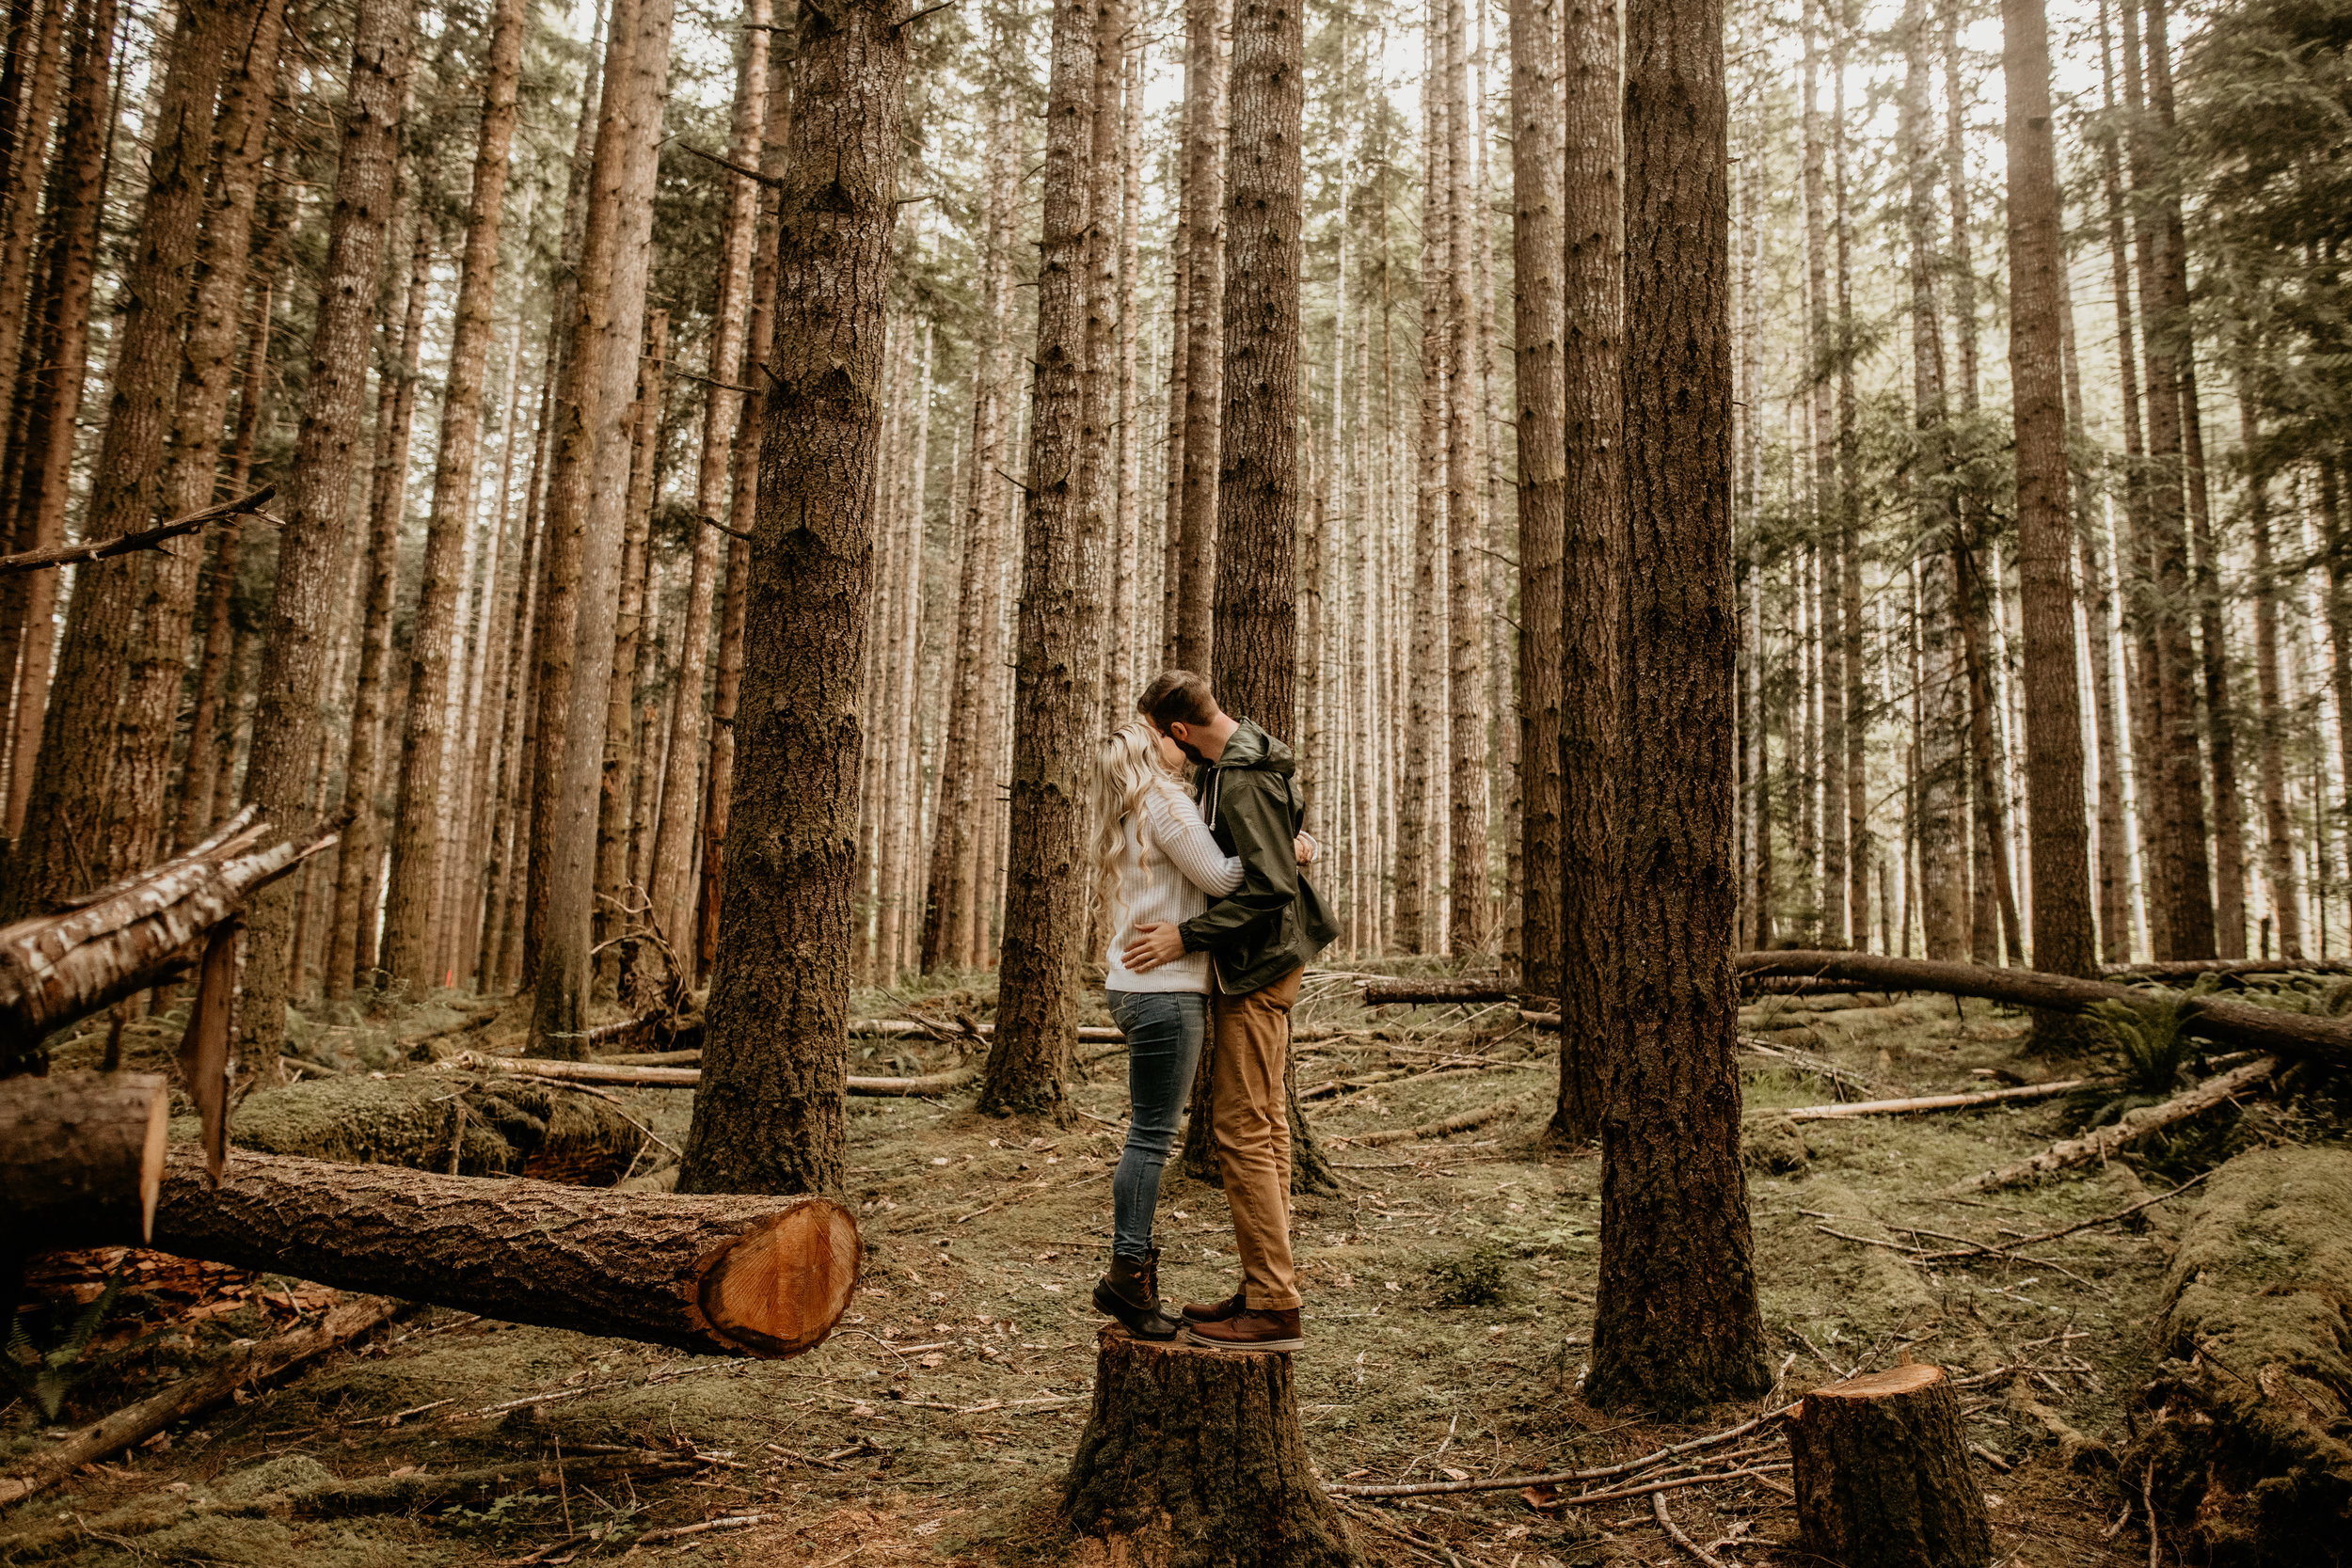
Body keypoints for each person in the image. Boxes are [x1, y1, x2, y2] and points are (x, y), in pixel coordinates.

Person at [1123, 670, 1339, 1352]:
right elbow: (1281, 843)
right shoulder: (1244, 755)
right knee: (1265, 1122)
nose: (1161, 746)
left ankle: (1273, 1302)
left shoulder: (1240, 777)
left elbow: (1271, 886)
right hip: (1269, 960)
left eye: (1159, 735)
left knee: (1242, 1127)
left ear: (1177, 730)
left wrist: (1185, 936)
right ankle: (1265, 1287)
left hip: (1259, 963)